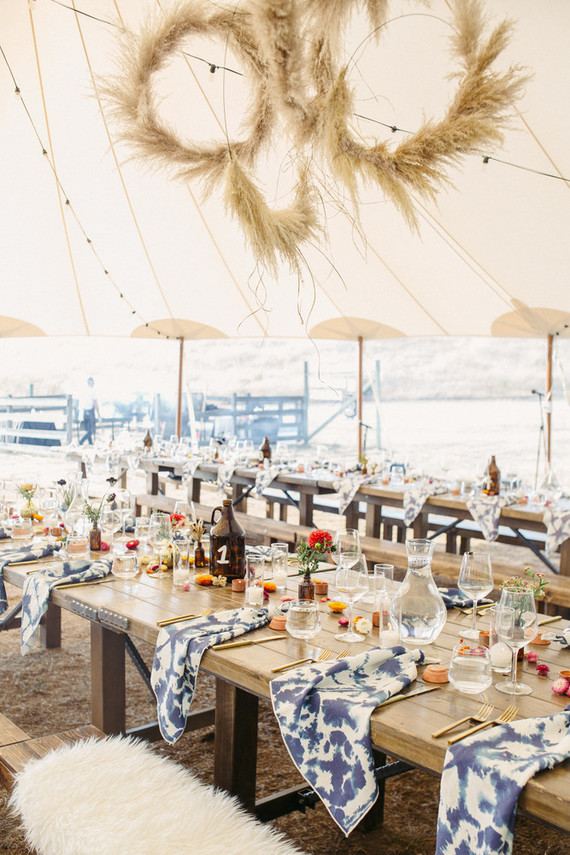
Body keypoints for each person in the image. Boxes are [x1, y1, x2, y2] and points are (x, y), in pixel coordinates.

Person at [78, 377, 99, 445]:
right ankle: (81, 442)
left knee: (88, 430)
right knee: (91, 431)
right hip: (90, 412)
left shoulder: (83, 392)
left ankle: (90, 444)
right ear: (91, 383)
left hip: (85, 412)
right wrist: (99, 414)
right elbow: (95, 404)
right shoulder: (93, 391)